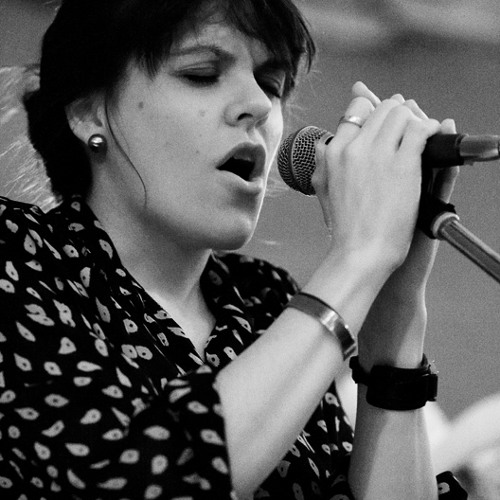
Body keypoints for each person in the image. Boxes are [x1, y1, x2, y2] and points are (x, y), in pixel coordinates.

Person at [0, 0, 468, 498]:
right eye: (201, 74)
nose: (260, 105)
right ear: (88, 111)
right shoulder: (20, 253)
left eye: (271, 84)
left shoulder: (265, 302)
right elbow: (135, 480)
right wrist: (358, 259)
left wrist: (395, 313)